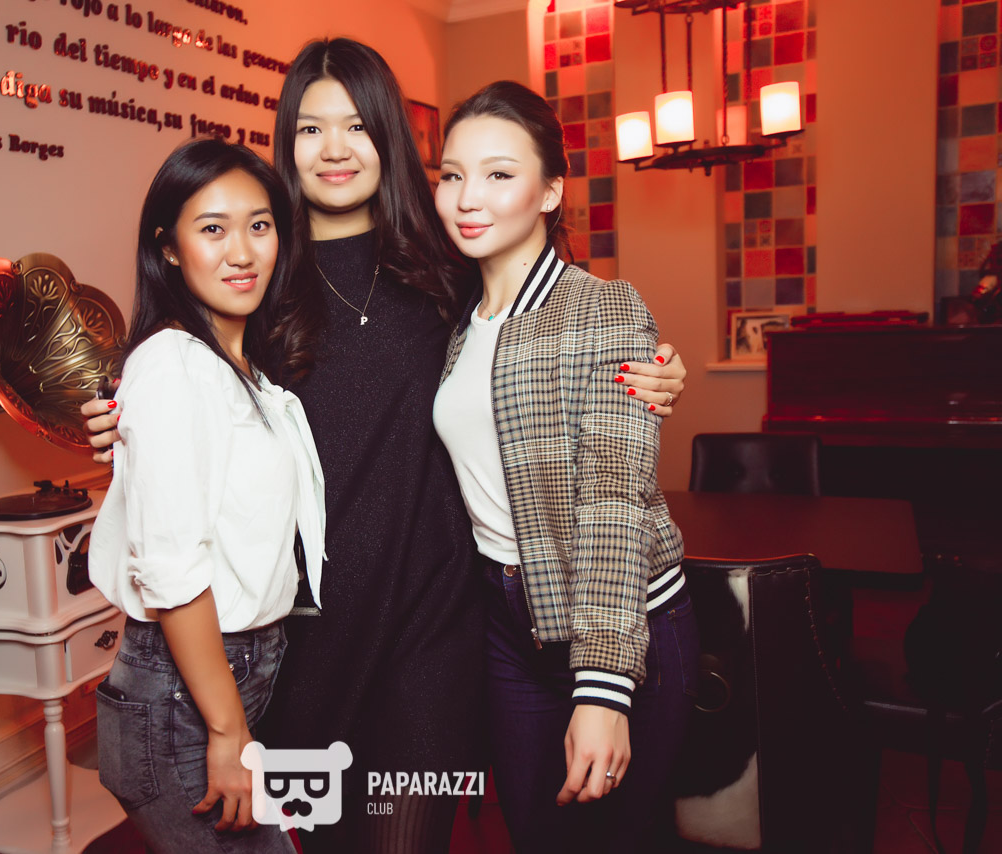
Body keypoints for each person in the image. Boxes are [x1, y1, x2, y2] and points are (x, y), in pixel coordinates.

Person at [83, 37, 690, 853]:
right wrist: (115, 417)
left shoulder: (448, 258)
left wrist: (653, 369)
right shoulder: (259, 274)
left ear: (389, 138)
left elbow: (546, 334)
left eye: (357, 126)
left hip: (435, 628)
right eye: (311, 129)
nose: (334, 149)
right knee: (329, 839)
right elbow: (187, 392)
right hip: (307, 641)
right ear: (287, 144)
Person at [431, 80, 699, 853]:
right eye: (452, 175)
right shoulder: (456, 320)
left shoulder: (603, 310)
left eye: (499, 174)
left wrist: (605, 689)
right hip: (507, 621)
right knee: (536, 832)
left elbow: (615, 503)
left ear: (551, 191)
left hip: (621, 620)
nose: (468, 197)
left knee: (618, 840)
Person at [86, 137, 324, 854]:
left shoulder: (240, 367)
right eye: (213, 228)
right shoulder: (173, 366)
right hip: (183, 699)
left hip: (224, 678)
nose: (242, 252)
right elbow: (172, 567)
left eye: (259, 225)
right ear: (168, 248)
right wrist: (226, 729)